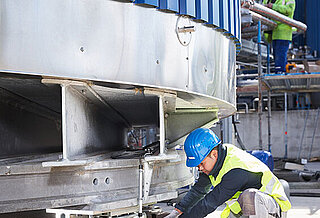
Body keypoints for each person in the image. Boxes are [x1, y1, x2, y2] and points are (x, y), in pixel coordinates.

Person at [165, 128, 291, 218]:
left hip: (272, 209)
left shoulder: (235, 170)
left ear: (214, 154)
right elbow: (199, 190)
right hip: (247, 212)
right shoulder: (217, 160)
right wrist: (179, 210)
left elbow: (209, 203)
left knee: (250, 196)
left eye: (201, 164)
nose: (199, 168)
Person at [263, 0, 296, 73]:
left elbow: (289, 10)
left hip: (283, 33)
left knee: (280, 59)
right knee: (277, 58)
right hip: (273, 33)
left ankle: (280, 76)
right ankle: (281, 73)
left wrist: (273, 6)